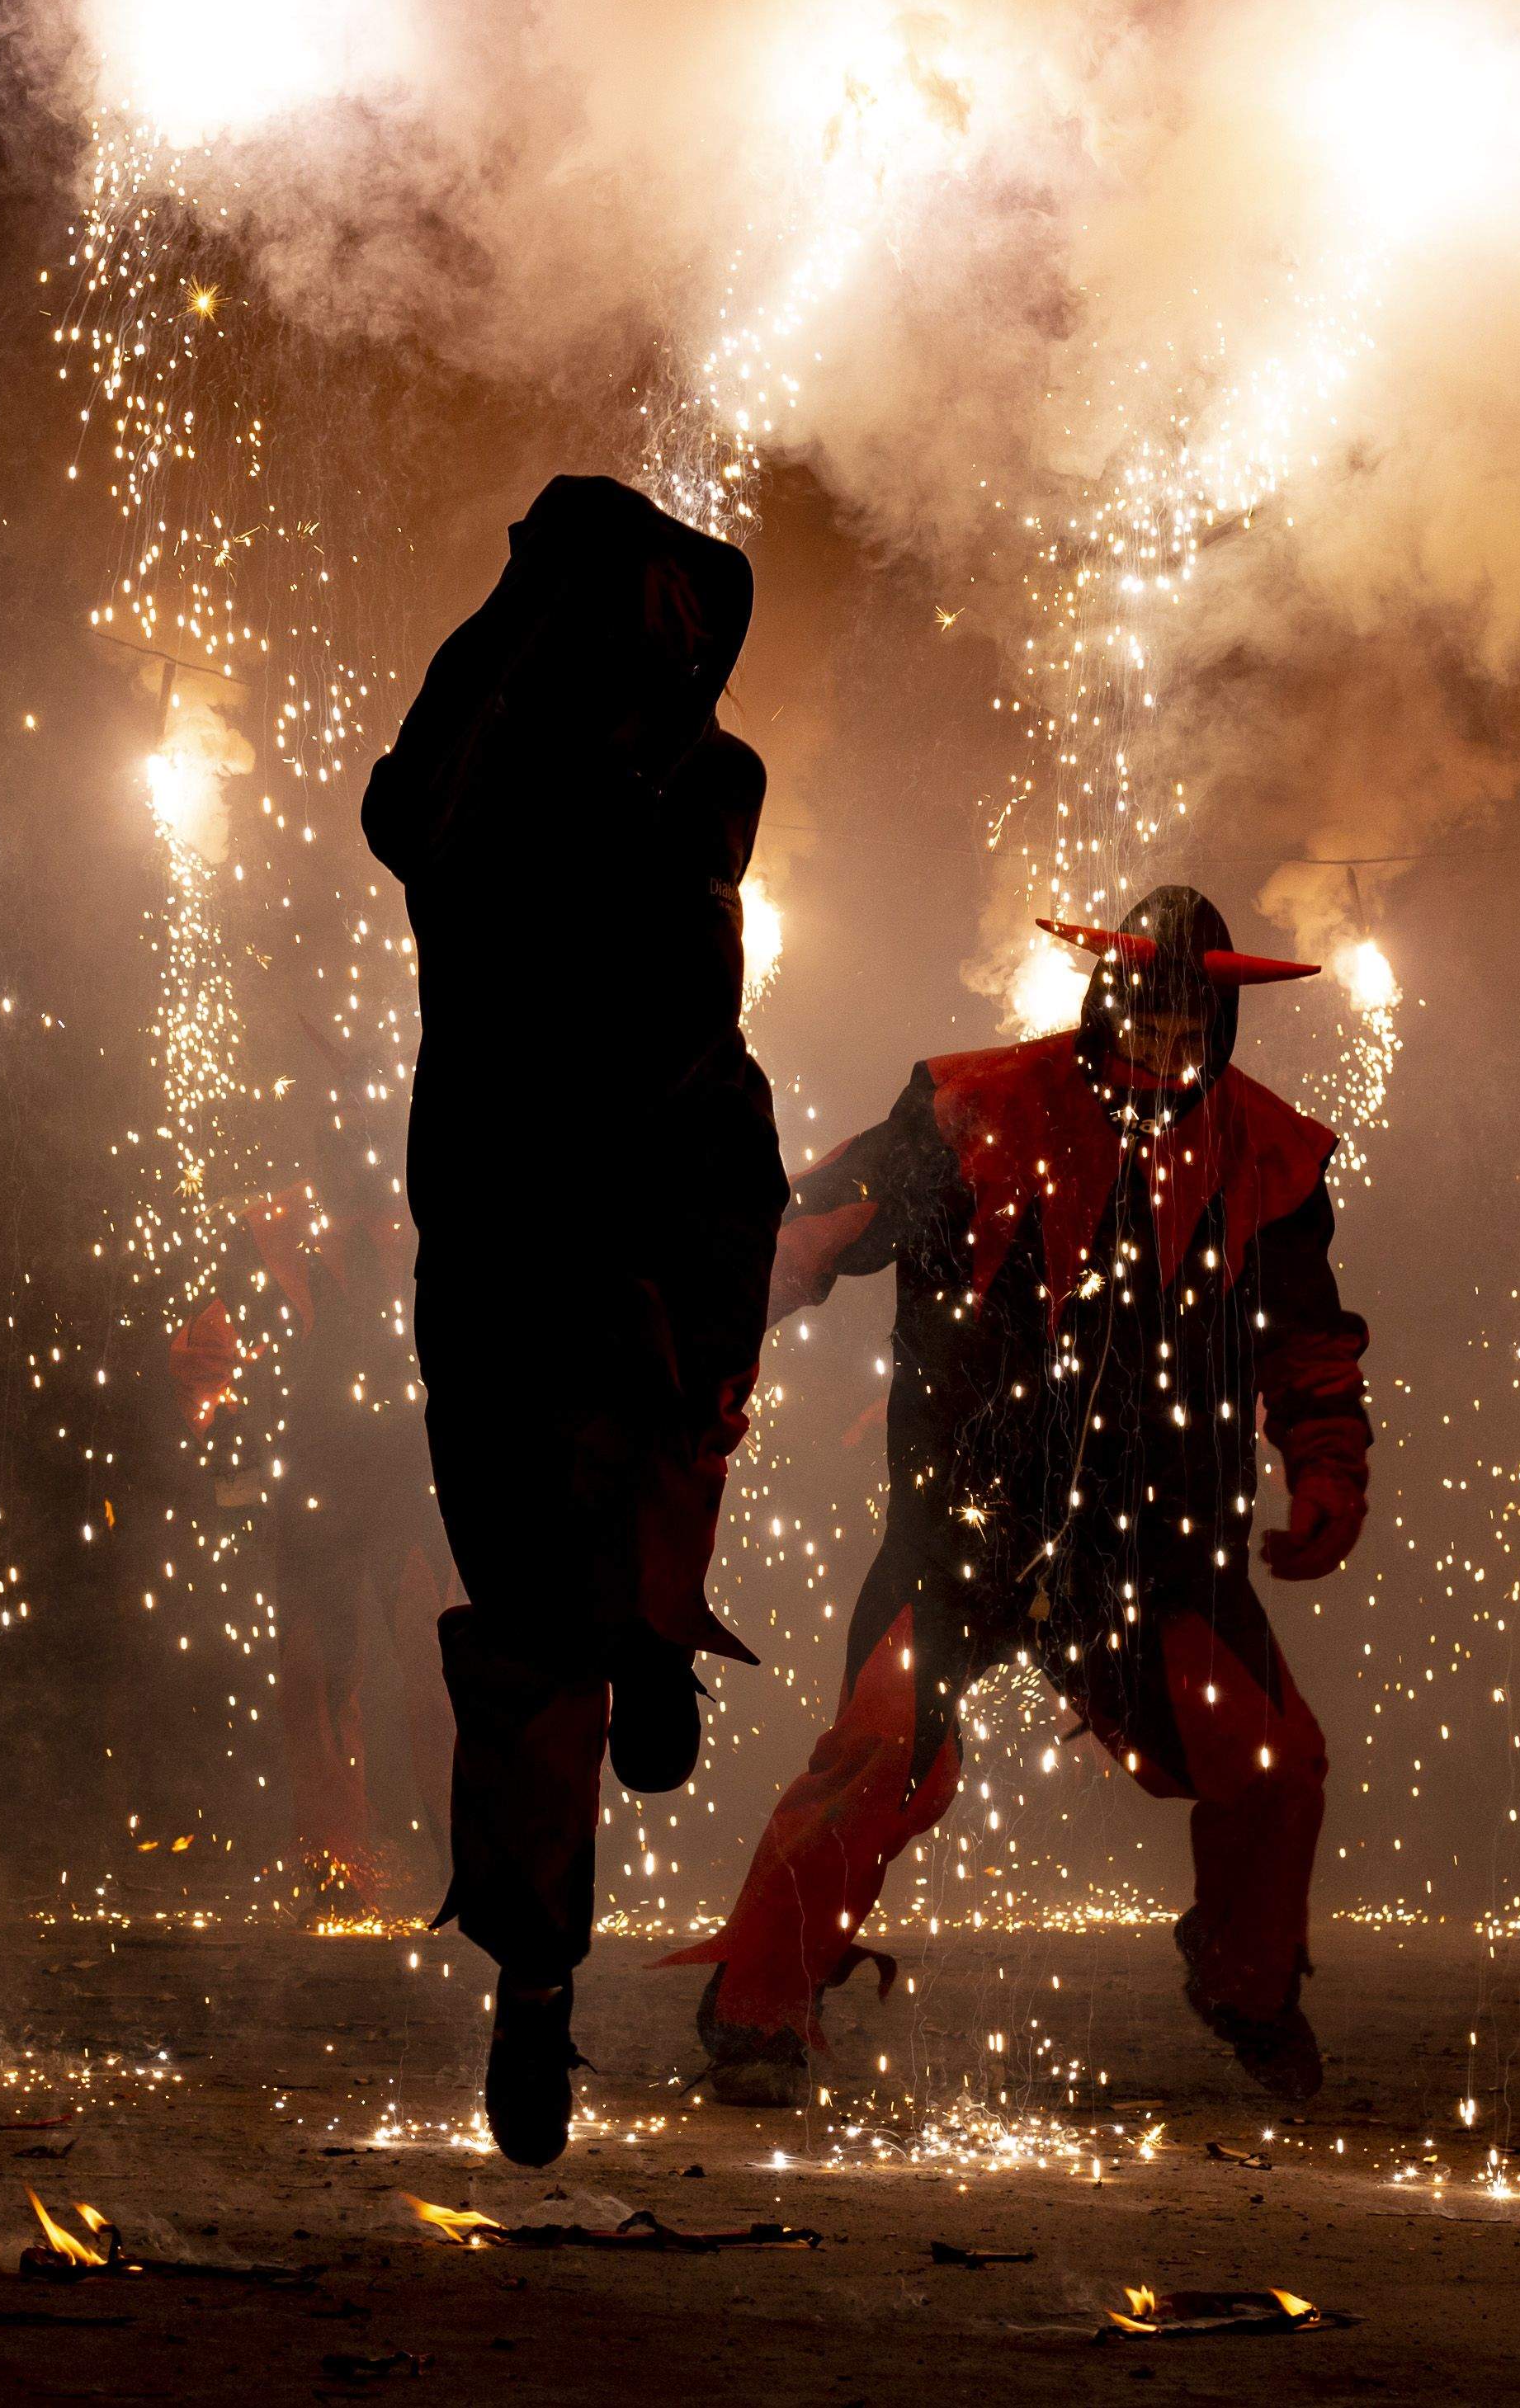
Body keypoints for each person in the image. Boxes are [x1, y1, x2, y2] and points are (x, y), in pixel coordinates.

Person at [665, 887, 1367, 2104]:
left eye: (1183, 1026)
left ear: (1220, 1026)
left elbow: (1306, 1345)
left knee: (1270, 1761)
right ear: (1103, 1007)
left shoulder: (1268, 1153)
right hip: (964, 1527)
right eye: (1138, 1019)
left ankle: (1247, 1987)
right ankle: (755, 2013)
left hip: (1159, 1551)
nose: (1156, 1047)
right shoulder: (970, 1108)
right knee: (876, 1756)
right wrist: (707, 1333)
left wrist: (1326, 1471)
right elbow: (810, 1230)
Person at [362, 474, 788, 2165]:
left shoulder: (635, 783)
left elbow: (416, 813)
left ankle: (642, 1641)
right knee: (549, 1595)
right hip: (542, 1233)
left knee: (616, 1514)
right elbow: (418, 811)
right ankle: (540, 1959)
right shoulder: (529, 792)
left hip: (582, 1223)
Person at [166, 1129, 456, 1920]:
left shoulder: (428, 1219)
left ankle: (471, 1867)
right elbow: (203, 1351)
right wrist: (219, 1423)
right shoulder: (267, 1238)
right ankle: (337, 1880)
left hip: (407, 1477)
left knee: (436, 1675)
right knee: (312, 1680)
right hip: (313, 1486)